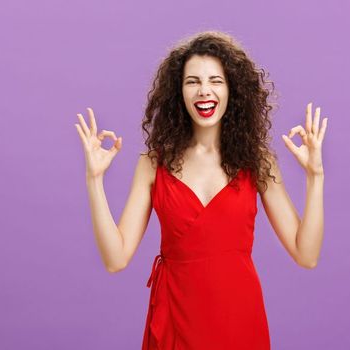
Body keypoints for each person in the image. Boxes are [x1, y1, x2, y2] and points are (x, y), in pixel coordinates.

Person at [73, 30, 328, 350]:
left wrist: (315, 176)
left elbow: (306, 254)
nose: (204, 90)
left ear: (233, 90)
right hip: (175, 319)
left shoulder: (257, 161)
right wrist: (94, 180)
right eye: (192, 81)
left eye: (215, 81)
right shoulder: (153, 163)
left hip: (239, 321)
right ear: (178, 92)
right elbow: (115, 259)